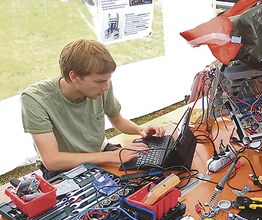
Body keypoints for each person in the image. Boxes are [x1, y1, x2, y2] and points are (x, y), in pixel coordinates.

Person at [21, 39, 164, 179]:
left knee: (154, 171)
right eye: (100, 81)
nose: (106, 87)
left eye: (107, 80)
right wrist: (112, 156)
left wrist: (140, 130)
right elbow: (52, 160)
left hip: (101, 153)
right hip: (64, 168)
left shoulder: (103, 86)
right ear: (74, 76)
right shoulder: (35, 99)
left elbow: (118, 120)